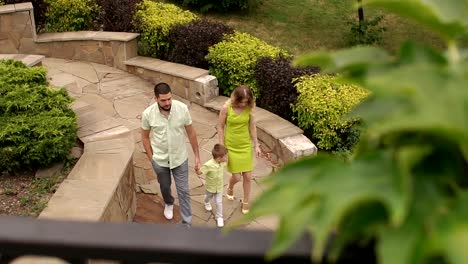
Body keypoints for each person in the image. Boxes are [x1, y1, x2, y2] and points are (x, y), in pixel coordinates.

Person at [141, 82, 200, 227]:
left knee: (184, 191)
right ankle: (168, 202)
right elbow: (144, 137)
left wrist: (197, 156)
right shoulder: (148, 114)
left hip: (180, 158)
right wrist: (152, 158)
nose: (167, 103)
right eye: (163, 100)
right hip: (160, 160)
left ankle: (187, 223)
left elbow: (191, 132)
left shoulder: (182, 109)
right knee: (165, 186)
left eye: (169, 99)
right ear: (156, 99)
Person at [218, 85, 261, 214]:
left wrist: (256, 145)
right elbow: (220, 127)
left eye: (246, 102)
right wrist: (221, 146)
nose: (244, 104)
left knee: (248, 176)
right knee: (236, 177)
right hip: (231, 146)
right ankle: (230, 187)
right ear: (236, 98)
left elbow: (252, 127)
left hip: (245, 146)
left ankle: (246, 201)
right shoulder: (226, 108)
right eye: (241, 102)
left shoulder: (249, 109)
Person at [196, 144, 228, 228]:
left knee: (219, 202)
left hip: (219, 187)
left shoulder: (223, 163)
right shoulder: (208, 165)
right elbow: (200, 172)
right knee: (208, 197)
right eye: (225, 156)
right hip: (210, 188)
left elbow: (227, 163)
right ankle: (206, 201)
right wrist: (197, 169)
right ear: (219, 158)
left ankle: (219, 217)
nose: (226, 158)